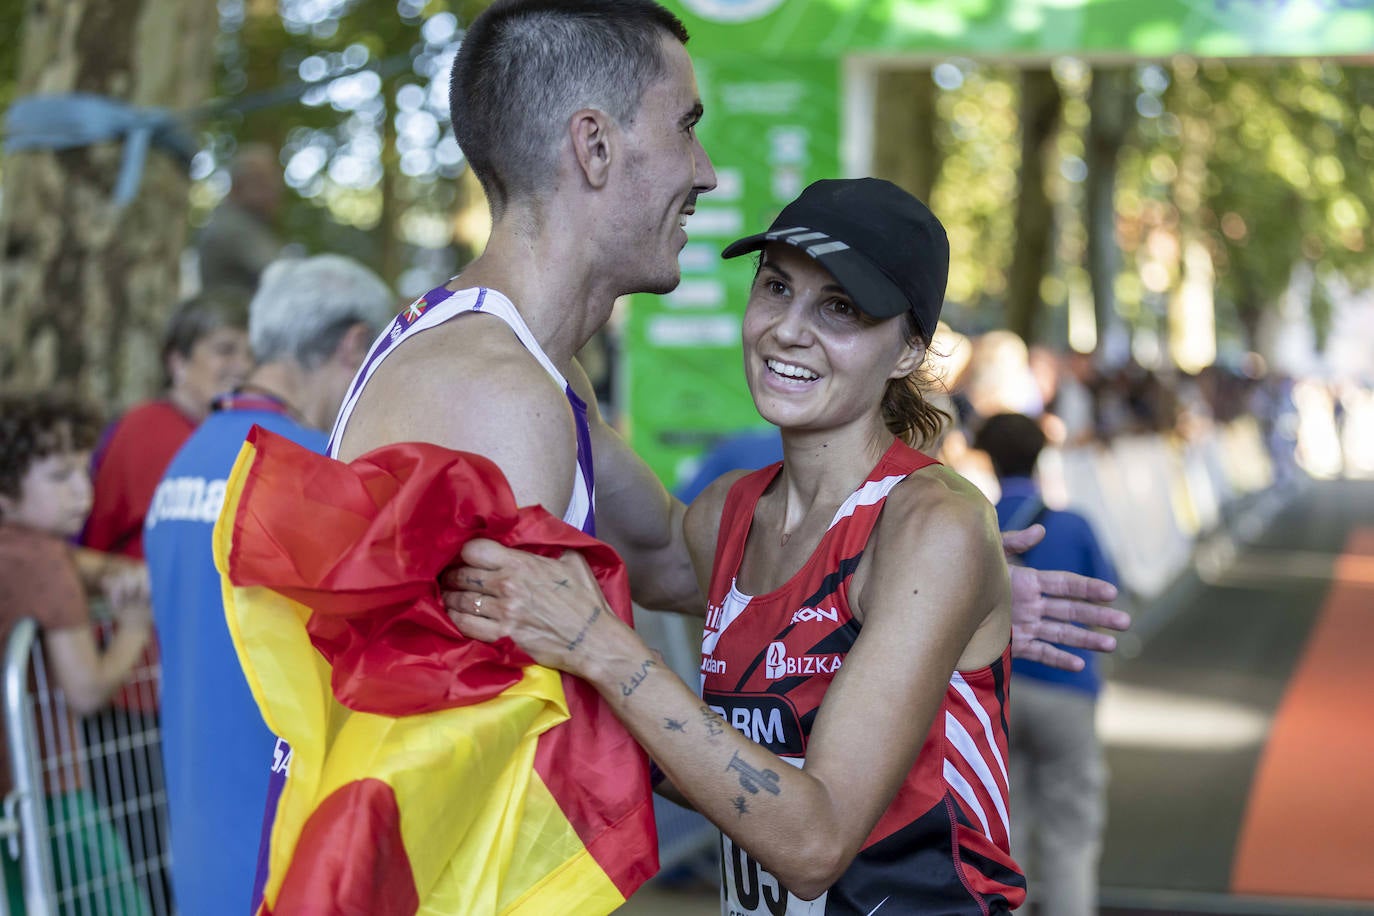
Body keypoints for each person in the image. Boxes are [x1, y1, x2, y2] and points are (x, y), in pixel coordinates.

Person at [446, 178, 1035, 912]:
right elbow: (569, 419)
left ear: (907, 351)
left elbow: (815, 843)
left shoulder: (933, 524)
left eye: (840, 308)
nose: (789, 328)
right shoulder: (726, 514)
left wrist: (600, 645)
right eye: (777, 288)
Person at [142, 256, 393, 916]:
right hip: (286, 848)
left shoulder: (185, 459)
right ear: (352, 345)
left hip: (201, 845)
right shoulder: (312, 472)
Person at [0, 391, 152, 915]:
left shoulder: (21, 547)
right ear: (6, 492)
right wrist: (133, 626)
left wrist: (112, 574)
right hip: (47, 790)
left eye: (84, 472)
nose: (82, 493)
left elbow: (86, 564)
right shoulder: (41, 562)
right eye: (59, 477)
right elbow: (86, 691)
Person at [974, 412, 1118, 916]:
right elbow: (1107, 592)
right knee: (1071, 831)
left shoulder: (973, 525)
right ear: (1041, 457)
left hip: (996, 697)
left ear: (986, 458)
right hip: (1067, 689)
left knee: (1000, 829)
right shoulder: (1075, 524)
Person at [196, 144, 286, 293]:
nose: (274, 189)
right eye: (262, 182)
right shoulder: (231, 226)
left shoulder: (247, 224)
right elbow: (282, 275)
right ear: (237, 187)